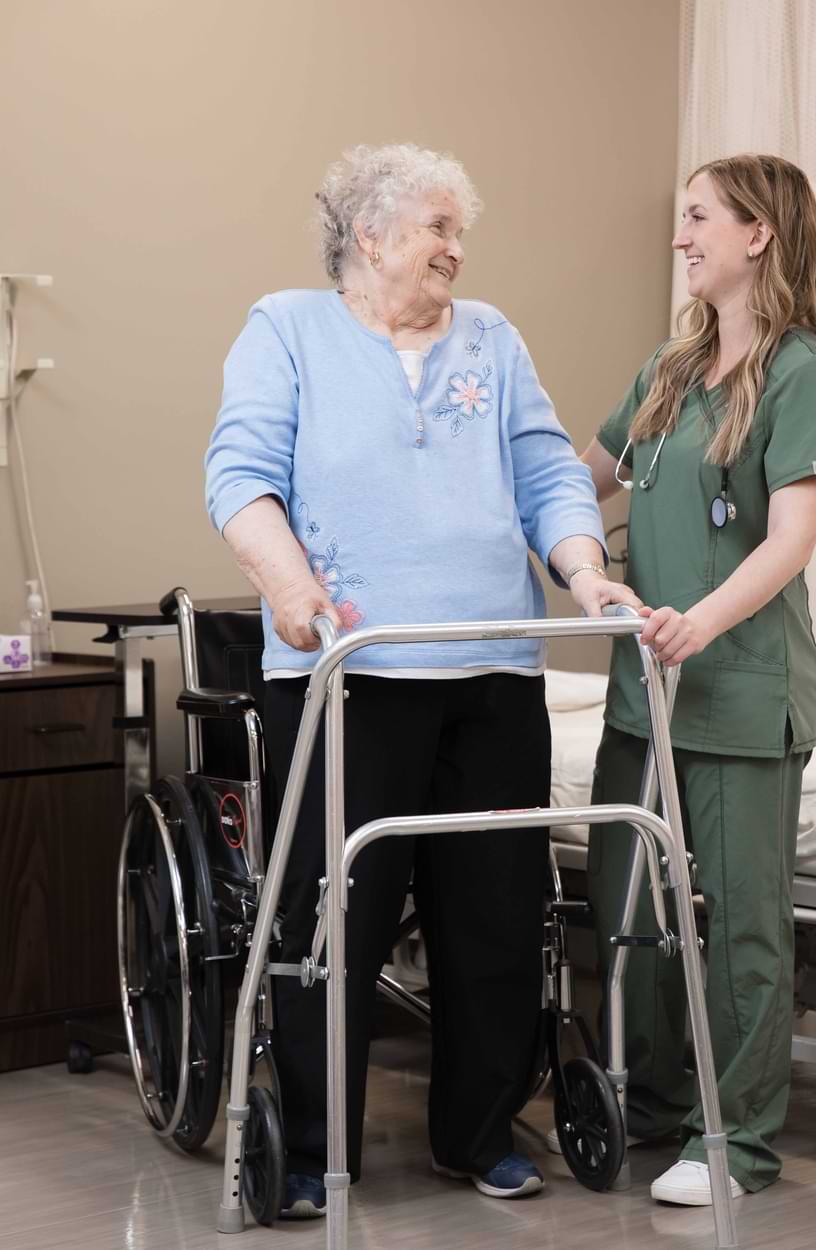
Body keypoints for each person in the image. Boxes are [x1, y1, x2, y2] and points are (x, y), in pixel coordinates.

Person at [205, 143, 639, 1216]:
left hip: (493, 667)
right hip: (349, 671)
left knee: (495, 911)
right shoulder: (287, 329)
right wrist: (290, 585)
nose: (456, 250)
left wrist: (586, 575)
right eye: (439, 228)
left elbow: (546, 472)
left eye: (458, 231)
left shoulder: (490, 336)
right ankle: (312, 1147)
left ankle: (478, 1133)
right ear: (372, 234)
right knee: (336, 915)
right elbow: (240, 475)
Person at [577, 154, 816, 1205]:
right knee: (626, 906)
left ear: (757, 234)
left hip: (738, 689)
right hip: (642, 693)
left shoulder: (800, 372)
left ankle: (734, 1142)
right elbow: (580, 475)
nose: (679, 235)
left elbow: (789, 539)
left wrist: (701, 621)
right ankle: (650, 1104)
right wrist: (574, 555)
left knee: (740, 927)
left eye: (698, 217)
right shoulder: (670, 366)